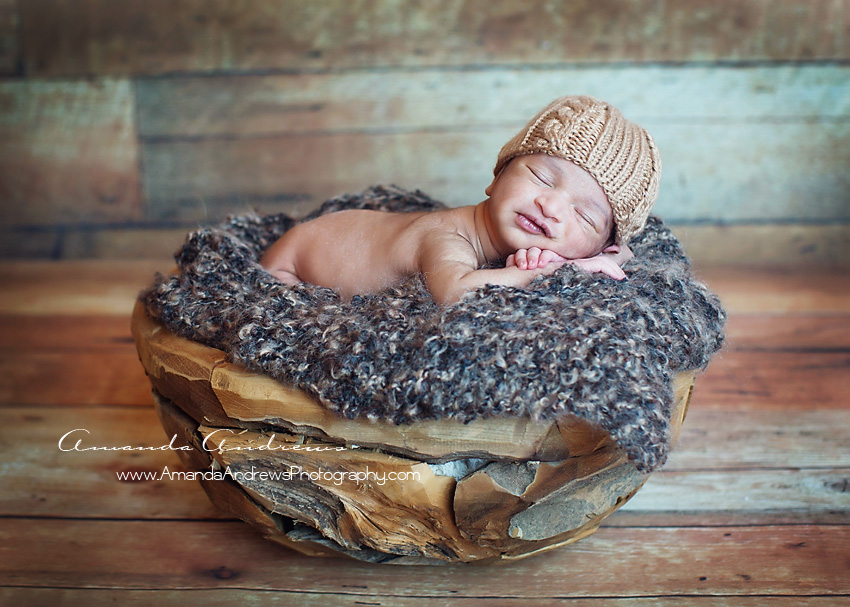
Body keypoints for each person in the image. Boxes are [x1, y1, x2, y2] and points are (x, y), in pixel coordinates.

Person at [260, 95, 661, 305]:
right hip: (292, 261)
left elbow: (618, 253)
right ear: (497, 177)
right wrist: (548, 273)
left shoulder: (582, 244)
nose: (551, 207)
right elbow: (454, 293)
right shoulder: (449, 237)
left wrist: (605, 259)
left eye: (584, 215)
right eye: (541, 177)